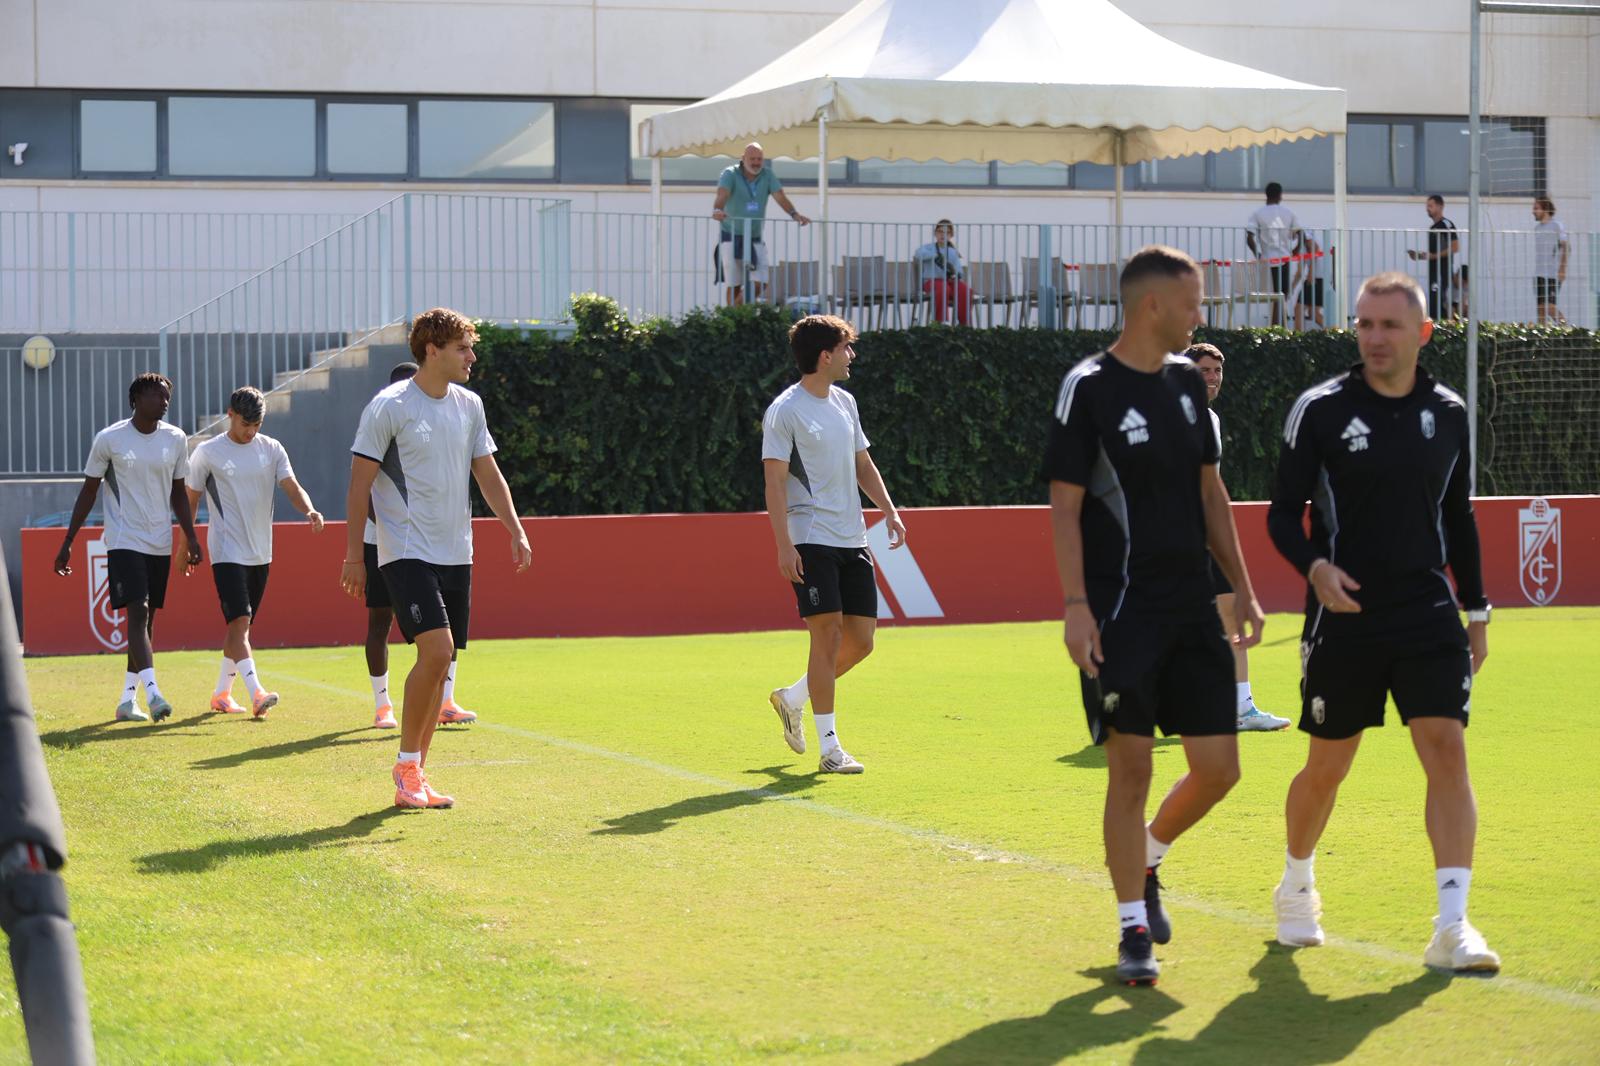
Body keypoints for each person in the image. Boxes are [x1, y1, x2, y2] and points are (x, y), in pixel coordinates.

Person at [1266, 272, 1499, 973]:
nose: (1374, 337)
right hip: (1346, 612)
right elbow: (1282, 514)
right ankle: (1296, 882)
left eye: (1389, 326)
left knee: (1446, 750)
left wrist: (1477, 611)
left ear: (1423, 333)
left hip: (1427, 610)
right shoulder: (1322, 409)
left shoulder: (1450, 412)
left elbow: (1458, 516)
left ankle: (1452, 926)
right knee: (1328, 765)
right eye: (1365, 324)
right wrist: (1314, 569)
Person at [1045, 247, 1265, 986]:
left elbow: (1212, 494)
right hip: (1118, 612)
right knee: (1131, 769)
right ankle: (1132, 929)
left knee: (1219, 769)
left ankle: (1148, 859)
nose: (1200, 316)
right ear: (1152, 307)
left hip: (1191, 608)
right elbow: (1065, 507)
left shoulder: (1184, 386)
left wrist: (1243, 583)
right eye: (1193, 303)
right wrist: (1076, 606)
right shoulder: (1089, 389)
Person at [340, 308, 532, 809]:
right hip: (404, 549)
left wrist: (514, 528)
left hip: (456, 551)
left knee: (443, 659)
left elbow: (488, 473)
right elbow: (359, 483)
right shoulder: (389, 406)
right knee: (436, 650)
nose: (472, 356)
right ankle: (406, 767)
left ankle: (416, 774)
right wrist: (352, 557)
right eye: (463, 348)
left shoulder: (470, 405)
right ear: (432, 350)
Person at [762, 314, 906, 775]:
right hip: (810, 539)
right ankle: (829, 748)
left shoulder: (845, 402)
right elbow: (775, 483)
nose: (852, 355)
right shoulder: (785, 410)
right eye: (846, 348)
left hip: (852, 538)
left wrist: (888, 510)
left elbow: (863, 463)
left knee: (861, 642)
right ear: (825, 356)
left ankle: (793, 697)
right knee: (827, 636)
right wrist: (784, 545)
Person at [50, 373, 202, 723]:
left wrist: (190, 536)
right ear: (135, 399)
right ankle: (154, 694)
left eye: (167, 396)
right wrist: (68, 541)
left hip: (160, 541)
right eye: (156, 395)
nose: (164, 401)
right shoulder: (110, 439)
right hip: (123, 540)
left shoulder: (176, 438)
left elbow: (179, 491)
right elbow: (88, 491)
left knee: (147, 621)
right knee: (138, 610)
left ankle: (126, 700)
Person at [186, 386, 324, 717]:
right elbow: (190, 499)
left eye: (256, 425)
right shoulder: (207, 452)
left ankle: (221, 693)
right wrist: (185, 545)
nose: (250, 431)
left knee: (240, 629)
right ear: (230, 415)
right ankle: (256, 692)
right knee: (240, 622)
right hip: (226, 550)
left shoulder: (272, 449)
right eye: (245, 424)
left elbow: (292, 486)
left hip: (262, 551)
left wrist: (309, 510)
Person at [359, 362, 478, 730]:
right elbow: (363, 486)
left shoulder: (460, 407)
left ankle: (446, 701)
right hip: (387, 543)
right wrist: (390, 533)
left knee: (446, 636)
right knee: (380, 621)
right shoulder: (386, 410)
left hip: (442, 545)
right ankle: (382, 705)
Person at [1185, 344, 1291, 733]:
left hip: (1202, 532)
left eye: (1216, 371)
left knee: (1228, 613)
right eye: (1203, 371)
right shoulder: (1171, 415)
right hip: (1180, 535)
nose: (1211, 377)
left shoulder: (1209, 418)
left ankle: (1239, 706)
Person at [711, 143, 810, 306]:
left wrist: (794, 214)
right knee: (734, 284)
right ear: (743, 159)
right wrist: (717, 209)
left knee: (761, 281)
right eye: (752, 159)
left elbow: (780, 197)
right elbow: (723, 193)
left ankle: (733, 315)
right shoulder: (730, 174)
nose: (756, 162)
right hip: (730, 235)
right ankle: (736, 318)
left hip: (755, 237)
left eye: (759, 159)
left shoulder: (767, 175)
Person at [1245, 182, 1303, 327]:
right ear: (1280, 195)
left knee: (1272, 296)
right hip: (1284, 259)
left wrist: (1257, 254)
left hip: (1266, 260)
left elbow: (1249, 237)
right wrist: (1295, 251)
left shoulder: (1258, 213)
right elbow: (1301, 234)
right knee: (1282, 295)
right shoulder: (1288, 212)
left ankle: (1276, 326)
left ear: (1266, 195)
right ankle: (1278, 326)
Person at [1406, 195, 1458, 321]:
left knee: (1442, 303)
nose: (1427, 209)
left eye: (1430, 206)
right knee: (1434, 304)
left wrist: (1433, 256)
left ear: (1440, 206)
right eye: (1427, 206)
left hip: (1442, 272)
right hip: (1434, 272)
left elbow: (1455, 247)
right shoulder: (1432, 228)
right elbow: (1433, 253)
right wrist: (1419, 256)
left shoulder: (1446, 224)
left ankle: (1446, 331)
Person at [913, 219, 972, 325]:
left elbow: (959, 271)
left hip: (949, 281)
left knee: (966, 290)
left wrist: (955, 274)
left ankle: (964, 324)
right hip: (931, 281)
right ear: (935, 233)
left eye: (947, 232)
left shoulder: (953, 252)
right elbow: (918, 254)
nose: (943, 235)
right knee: (944, 288)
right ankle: (940, 323)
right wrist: (935, 256)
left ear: (951, 235)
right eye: (940, 231)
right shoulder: (928, 248)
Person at [1532, 196, 1569, 325]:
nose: (1533, 211)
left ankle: (1567, 331)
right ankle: (1542, 338)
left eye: (1536, 208)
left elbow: (1566, 247)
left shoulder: (1556, 225)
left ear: (1545, 209)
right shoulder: (1537, 228)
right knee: (1541, 309)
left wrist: (1563, 268)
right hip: (1539, 274)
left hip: (1553, 274)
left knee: (1550, 307)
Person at [1292, 233, 1330, 331]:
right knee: (1313, 313)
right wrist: (1291, 288)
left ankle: (1298, 337)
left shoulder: (1304, 234)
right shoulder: (1302, 246)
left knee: (1299, 310)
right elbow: (1299, 272)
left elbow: (1315, 248)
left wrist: (1311, 272)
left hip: (1315, 278)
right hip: (1322, 278)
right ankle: (1333, 333)